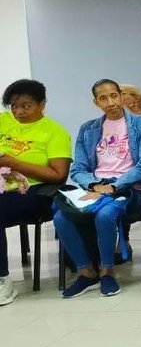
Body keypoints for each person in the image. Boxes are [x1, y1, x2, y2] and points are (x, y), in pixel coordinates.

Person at [56, 79, 141, 298]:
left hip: (128, 187)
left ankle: (107, 271)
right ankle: (86, 272)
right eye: (103, 98)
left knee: (105, 215)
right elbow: (79, 168)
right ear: (96, 102)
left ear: (121, 95)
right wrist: (94, 184)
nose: (110, 102)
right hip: (95, 186)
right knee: (61, 218)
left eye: (114, 95)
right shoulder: (88, 129)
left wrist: (114, 185)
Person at [0, 79, 71, 305]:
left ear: (42, 104)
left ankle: (3, 281)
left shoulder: (55, 132)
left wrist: (15, 163)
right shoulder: (3, 121)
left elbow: (58, 174)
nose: (18, 111)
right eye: (13, 106)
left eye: (25, 105)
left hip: (36, 192)